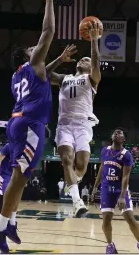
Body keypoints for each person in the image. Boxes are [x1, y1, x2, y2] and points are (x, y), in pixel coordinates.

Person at [0, 0, 55, 253]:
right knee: (20, 176)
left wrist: (59, 61)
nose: (34, 48)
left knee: (21, 176)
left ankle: (10, 222)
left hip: (16, 122)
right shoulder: (33, 64)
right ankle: (0, 226)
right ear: (26, 57)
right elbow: (48, 30)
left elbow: (45, 71)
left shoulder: (18, 77)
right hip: (30, 124)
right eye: (31, 49)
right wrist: (49, 0)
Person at [46, 23, 101, 217]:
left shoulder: (92, 79)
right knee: (66, 159)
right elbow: (43, 73)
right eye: (82, 59)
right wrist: (60, 59)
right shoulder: (64, 78)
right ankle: (77, 202)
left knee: (82, 165)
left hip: (83, 124)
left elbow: (95, 64)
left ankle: (72, 183)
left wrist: (94, 41)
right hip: (64, 124)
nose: (83, 60)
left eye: (86, 60)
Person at [91, 128, 139, 254]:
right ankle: (110, 245)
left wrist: (122, 196)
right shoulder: (104, 151)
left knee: (130, 218)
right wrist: (95, 187)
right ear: (112, 136)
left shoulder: (126, 154)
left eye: (120, 133)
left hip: (120, 189)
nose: (117, 133)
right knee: (106, 219)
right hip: (106, 189)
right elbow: (102, 169)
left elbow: (125, 177)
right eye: (115, 132)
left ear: (123, 139)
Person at [0, 143, 20, 253]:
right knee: (3, 203)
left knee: (13, 202)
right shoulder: (9, 146)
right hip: (3, 177)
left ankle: (9, 226)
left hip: (12, 177)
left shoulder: (23, 147)